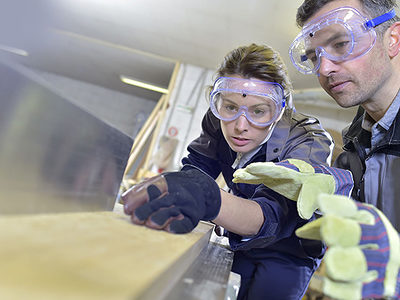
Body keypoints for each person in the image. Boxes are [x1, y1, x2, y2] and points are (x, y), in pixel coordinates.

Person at [122, 43, 353, 300]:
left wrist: (211, 200)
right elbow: (198, 167)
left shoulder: (308, 141)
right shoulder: (217, 120)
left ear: (280, 110)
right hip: (242, 237)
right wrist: (185, 191)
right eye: (230, 107)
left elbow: (271, 216)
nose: (240, 126)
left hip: (290, 251)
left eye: (258, 111)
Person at [273, 0, 400, 298]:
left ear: (392, 39)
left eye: (341, 44)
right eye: (313, 56)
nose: (325, 68)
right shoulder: (355, 145)